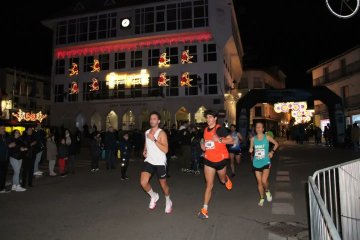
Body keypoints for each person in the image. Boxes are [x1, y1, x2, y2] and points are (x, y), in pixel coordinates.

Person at [198, 110, 234, 219]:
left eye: (210, 117)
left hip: (220, 160)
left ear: (215, 118)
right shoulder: (205, 129)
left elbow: (231, 140)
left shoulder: (219, 129)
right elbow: (204, 141)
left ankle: (226, 179)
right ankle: (204, 209)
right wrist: (203, 145)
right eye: (207, 117)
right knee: (209, 184)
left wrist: (219, 139)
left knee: (222, 180)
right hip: (209, 160)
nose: (208, 119)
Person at [140, 111, 172, 214]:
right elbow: (146, 142)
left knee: (163, 185)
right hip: (149, 160)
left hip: (160, 162)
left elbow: (166, 150)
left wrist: (154, 139)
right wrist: (145, 150)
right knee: (143, 182)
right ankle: (154, 196)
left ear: (158, 121)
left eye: (154, 119)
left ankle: (168, 200)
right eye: (151, 119)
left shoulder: (161, 133)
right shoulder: (147, 132)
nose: (152, 120)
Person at [249, 122, 279, 207]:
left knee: (264, 180)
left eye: (260, 127)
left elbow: (276, 144)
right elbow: (251, 148)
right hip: (256, 162)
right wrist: (251, 150)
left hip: (266, 161)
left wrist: (272, 152)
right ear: (255, 129)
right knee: (259, 182)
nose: (258, 128)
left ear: (263, 129)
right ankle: (262, 198)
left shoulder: (267, 137)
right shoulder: (253, 139)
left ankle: (267, 190)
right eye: (257, 127)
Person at [0, 122, 11, 193]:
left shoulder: (5, 136)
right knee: (1, 173)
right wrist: (8, 146)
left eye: (4, 128)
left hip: (5, 157)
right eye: (1, 128)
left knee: (4, 173)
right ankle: (1, 188)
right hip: (0, 158)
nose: (3, 130)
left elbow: (8, 144)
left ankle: (3, 186)